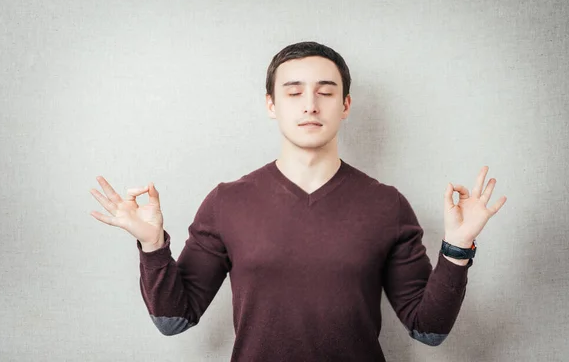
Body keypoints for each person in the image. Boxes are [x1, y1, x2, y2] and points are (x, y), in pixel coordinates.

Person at [89, 41, 507, 361]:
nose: (310, 105)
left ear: (345, 106)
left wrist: (457, 248)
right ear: (272, 105)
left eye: (326, 92)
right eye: (293, 92)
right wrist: (152, 245)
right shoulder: (226, 203)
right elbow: (173, 320)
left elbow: (428, 329)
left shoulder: (387, 205)